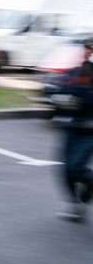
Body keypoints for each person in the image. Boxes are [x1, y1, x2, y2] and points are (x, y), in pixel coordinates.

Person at [49, 37, 93, 221]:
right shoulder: (75, 71)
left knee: (75, 167)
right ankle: (74, 205)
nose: (88, 51)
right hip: (71, 127)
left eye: (90, 48)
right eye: (86, 48)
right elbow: (57, 90)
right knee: (64, 169)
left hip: (90, 130)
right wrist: (58, 98)